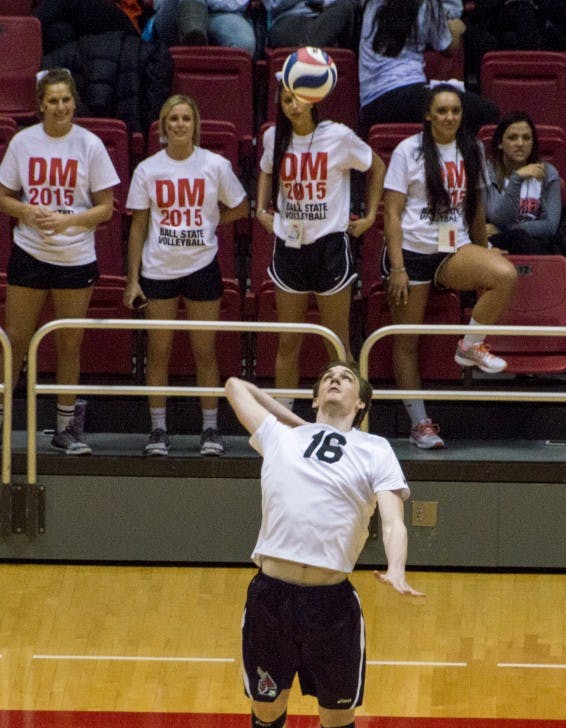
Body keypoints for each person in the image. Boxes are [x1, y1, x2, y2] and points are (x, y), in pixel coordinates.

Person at [224, 360, 421, 728]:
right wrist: (300, 425)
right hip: (270, 600)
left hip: (331, 607)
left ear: (362, 403)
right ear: (315, 397)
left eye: (348, 377)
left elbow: (392, 516)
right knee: (267, 719)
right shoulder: (281, 438)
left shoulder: (376, 449)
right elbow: (236, 386)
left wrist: (398, 566)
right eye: (327, 376)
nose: (336, 378)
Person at [382, 82, 517, 449]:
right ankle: (419, 424)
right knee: (406, 342)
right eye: (441, 111)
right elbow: (391, 214)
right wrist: (397, 267)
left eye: (455, 111)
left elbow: (475, 209)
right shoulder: (407, 151)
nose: (449, 117)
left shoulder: (471, 148)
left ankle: (470, 346)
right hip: (410, 252)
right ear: (428, 114)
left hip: (451, 248)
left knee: (504, 275)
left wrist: (485, 249)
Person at [0, 68, 120, 454]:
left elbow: (106, 209)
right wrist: (28, 211)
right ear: (40, 105)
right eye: (52, 100)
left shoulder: (90, 145)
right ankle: (3, 417)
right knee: (15, 340)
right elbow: (2, 197)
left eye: (65, 100)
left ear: (74, 102)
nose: (60, 107)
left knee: (69, 343)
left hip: (75, 256)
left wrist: (68, 220)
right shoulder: (23, 142)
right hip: (30, 252)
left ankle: (67, 428)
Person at [124, 93, 249, 456]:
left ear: (196, 125)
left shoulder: (214, 165)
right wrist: (132, 280)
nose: (180, 124)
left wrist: (211, 223)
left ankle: (210, 430)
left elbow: (241, 208)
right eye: (173, 119)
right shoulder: (148, 169)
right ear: (163, 126)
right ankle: (158, 430)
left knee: (204, 350)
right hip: (159, 270)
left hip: (202, 268)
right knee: (159, 351)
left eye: (186, 119)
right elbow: (137, 228)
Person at [256, 83, 385, 391]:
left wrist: (369, 217)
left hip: (330, 247)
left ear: (313, 100)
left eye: (298, 99)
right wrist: (261, 209)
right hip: (289, 246)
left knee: (337, 342)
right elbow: (265, 169)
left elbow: (377, 167)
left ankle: (351, 423)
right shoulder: (274, 137)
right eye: (286, 100)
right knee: (288, 342)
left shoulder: (338, 136)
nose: (293, 106)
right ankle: (285, 423)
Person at [359, 0, 500, 134]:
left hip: (370, 106)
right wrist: (456, 29)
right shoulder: (427, 4)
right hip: (407, 94)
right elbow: (449, 48)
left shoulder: (371, 2)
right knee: (489, 113)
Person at [484, 111, 563, 255]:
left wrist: (506, 228)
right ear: (500, 143)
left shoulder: (548, 173)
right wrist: (517, 178)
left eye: (526, 138)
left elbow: (550, 226)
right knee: (519, 238)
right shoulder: (488, 173)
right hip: (499, 243)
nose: (520, 144)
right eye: (513, 138)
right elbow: (497, 217)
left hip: (536, 241)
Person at [151, 0, 257, 57]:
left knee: (244, 42)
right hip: (175, 11)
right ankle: (194, 37)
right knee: (192, 21)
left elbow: (239, 2)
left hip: (222, 14)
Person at [265, 0, 358, 49]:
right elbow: (273, 4)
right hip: (288, 21)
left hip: (321, 18)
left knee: (345, 7)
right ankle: (308, 56)